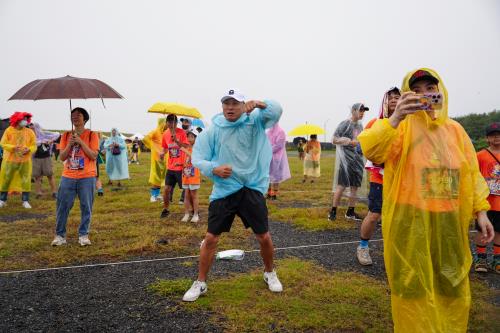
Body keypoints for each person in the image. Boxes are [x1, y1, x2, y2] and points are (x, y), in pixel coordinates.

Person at [358, 68, 495, 332]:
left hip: (448, 221)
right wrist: (396, 116)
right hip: (409, 220)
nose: (425, 95)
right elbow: (373, 149)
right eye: (416, 91)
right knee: (411, 283)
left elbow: (470, 173)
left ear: (440, 91)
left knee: (451, 279)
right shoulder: (399, 127)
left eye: (430, 88)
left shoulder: (455, 131)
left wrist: (481, 211)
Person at [182, 89, 283, 302]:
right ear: (222, 106)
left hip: (251, 187)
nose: (230, 107)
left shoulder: (254, 120)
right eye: (226, 103)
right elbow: (199, 157)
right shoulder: (214, 129)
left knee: (263, 236)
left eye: (235, 103)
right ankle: (200, 282)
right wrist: (214, 169)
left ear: (243, 105)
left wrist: (259, 103)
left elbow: (276, 111)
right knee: (211, 238)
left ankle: (269, 272)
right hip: (225, 189)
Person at [356, 88, 400, 265]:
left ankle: (398, 251)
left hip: (402, 178)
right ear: (384, 102)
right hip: (380, 177)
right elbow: (361, 147)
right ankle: (363, 247)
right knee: (374, 214)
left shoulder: (409, 125)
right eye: (391, 98)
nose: (395, 101)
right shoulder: (375, 122)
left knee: (401, 216)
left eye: (399, 97)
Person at [52, 107, 100, 246]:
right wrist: (70, 144)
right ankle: (60, 235)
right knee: (63, 206)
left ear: (84, 118)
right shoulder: (66, 135)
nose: (75, 117)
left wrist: (80, 141)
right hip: (68, 175)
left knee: (86, 206)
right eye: (72, 115)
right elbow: (61, 157)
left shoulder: (92, 135)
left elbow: (93, 155)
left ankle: (83, 235)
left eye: (78, 115)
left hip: (87, 176)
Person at [329, 103, 368, 221]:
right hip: (346, 162)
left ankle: (350, 211)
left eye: (363, 111)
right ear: (353, 111)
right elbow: (334, 139)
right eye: (360, 110)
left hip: (358, 160)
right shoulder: (345, 124)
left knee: (355, 186)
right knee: (341, 186)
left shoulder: (361, 126)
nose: (362, 113)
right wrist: (349, 142)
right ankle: (333, 211)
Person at [474, 122, 500, 273]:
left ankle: (497, 259)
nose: (496, 137)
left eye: (499, 134)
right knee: (481, 229)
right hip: (485, 201)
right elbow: (472, 175)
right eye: (493, 135)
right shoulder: (480, 156)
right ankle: (481, 258)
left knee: (499, 231)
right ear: (487, 138)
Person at [0, 112, 36, 208]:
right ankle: (2, 199)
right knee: (6, 179)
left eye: (26, 119)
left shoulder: (29, 132)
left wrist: (29, 149)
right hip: (10, 161)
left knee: (26, 180)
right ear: (17, 119)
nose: (25, 121)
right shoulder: (9, 130)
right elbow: (3, 143)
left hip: (25, 161)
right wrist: (13, 147)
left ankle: (25, 200)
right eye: (23, 119)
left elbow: (34, 145)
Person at [159, 114, 189, 218]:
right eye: (170, 122)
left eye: (174, 122)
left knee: (186, 190)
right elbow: (165, 147)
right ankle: (166, 209)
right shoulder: (165, 134)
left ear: (176, 123)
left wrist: (177, 140)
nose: (172, 124)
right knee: (166, 189)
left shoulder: (181, 132)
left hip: (181, 167)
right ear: (166, 123)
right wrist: (162, 153)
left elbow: (186, 146)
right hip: (171, 167)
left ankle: (192, 210)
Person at [32, 122, 60, 199]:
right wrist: (40, 142)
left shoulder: (44, 134)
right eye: (31, 128)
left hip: (46, 158)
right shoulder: (30, 137)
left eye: (33, 128)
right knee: (37, 177)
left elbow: (57, 134)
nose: (32, 130)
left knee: (50, 175)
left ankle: (54, 192)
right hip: (36, 159)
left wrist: (50, 141)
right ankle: (38, 193)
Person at [143, 118, 167, 202]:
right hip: (156, 158)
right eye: (166, 122)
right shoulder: (155, 131)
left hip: (164, 158)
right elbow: (145, 139)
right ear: (162, 123)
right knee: (155, 176)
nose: (167, 124)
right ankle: (153, 195)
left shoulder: (166, 133)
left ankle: (157, 194)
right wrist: (153, 147)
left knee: (161, 177)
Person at [180, 131, 201, 223]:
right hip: (186, 174)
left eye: (192, 137)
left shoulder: (198, 148)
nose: (189, 139)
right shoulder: (187, 147)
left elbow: (195, 158)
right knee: (186, 194)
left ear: (196, 138)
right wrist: (179, 164)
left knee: (194, 195)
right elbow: (186, 161)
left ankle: (196, 214)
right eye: (188, 137)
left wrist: (185, 151)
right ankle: (186, 214)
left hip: (194, 175)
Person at [266, 123, 291, 200]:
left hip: (278, 158)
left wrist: (269, 150)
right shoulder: (268, 132)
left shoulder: (281, 132)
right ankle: (269, 193)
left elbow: (279, 145)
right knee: (268, 176)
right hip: (268, 157)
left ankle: (274, 194)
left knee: (276, 176)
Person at [95, 132, 105, 196]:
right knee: (96, 177)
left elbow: (102, 152)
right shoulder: (98, 142)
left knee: (95, 177)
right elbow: (102, 153)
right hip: (95, 161)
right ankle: (100, 189)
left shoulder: (97, 142)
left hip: (91, 162)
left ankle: (99, 190)